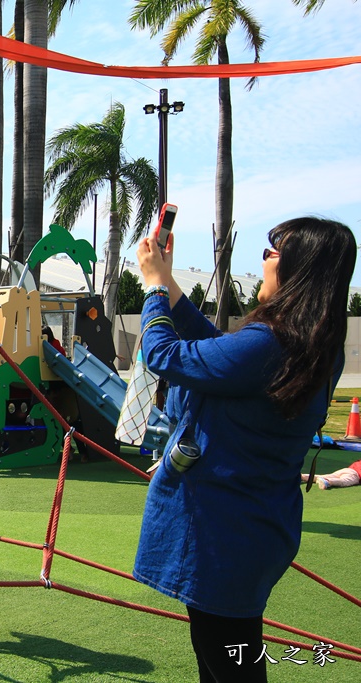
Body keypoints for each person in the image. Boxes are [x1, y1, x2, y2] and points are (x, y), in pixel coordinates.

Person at [133, 217, 355, 682]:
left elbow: (165, 355)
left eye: (274, 252)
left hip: (224, 537)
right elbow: (220, 353)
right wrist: (169, 281)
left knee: (227, 663)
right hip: (252, 531)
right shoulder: (308, 344)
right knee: (223, 656)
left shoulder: (272, 343)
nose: (265, 259)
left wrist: (153, 290)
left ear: (301, 268)